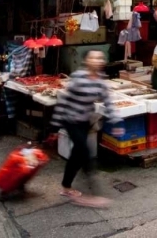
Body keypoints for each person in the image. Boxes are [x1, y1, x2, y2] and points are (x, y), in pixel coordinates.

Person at [52, 50, 123, 207]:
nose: (97, 60)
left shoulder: (101, 81)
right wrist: (55, 122)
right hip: (70, 120)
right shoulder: (78, 77)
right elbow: (65, 100)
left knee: (77, 155)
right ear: (86, 61)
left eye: (100, 58)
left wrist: (116, 122)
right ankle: (93, 194)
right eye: (93, 57)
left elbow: (108, 102)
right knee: (85, 153)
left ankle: (66, 186)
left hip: (84, 122)